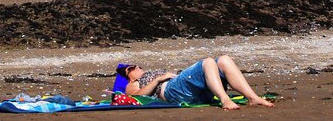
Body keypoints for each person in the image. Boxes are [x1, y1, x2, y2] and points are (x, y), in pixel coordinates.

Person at [117, 56, 274, 110]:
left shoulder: (145, 74)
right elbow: (137, 97)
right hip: (171, 92)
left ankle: (253, 97)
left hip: (192, 92)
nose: (137, 67)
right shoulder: (133, 84)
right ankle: (225, 99)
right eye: (132, 68)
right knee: (207, 62)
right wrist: (158, 79)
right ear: (128, 76)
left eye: (138, 66)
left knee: (224, 60)